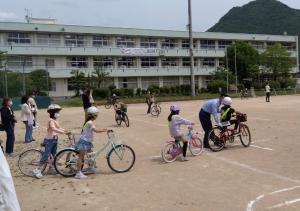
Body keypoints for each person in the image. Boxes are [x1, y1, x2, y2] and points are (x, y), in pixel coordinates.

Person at [33, 104, 69, 178]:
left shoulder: (55, 120)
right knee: (46, 154)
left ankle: (51, 168)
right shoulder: (51, 121)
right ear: (52, 113)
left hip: (54, 140)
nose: (58, 114)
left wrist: (65, 130)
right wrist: (62, 132)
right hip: (49, 140)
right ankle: (38, 169)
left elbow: (59, 127)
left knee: (54, 155)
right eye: (57, 112)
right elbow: (53, 128)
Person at [75, 106, 108, 179]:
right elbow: (95, 130)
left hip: (87, 141)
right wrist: (104, 130)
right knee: (81, 157)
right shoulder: (90, 123)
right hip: (84, 142)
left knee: (91, 155)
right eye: (96, 114)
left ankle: (90, 167)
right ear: (94, 115)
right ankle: (78, 173)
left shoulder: (88, 122)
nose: (97, 116)